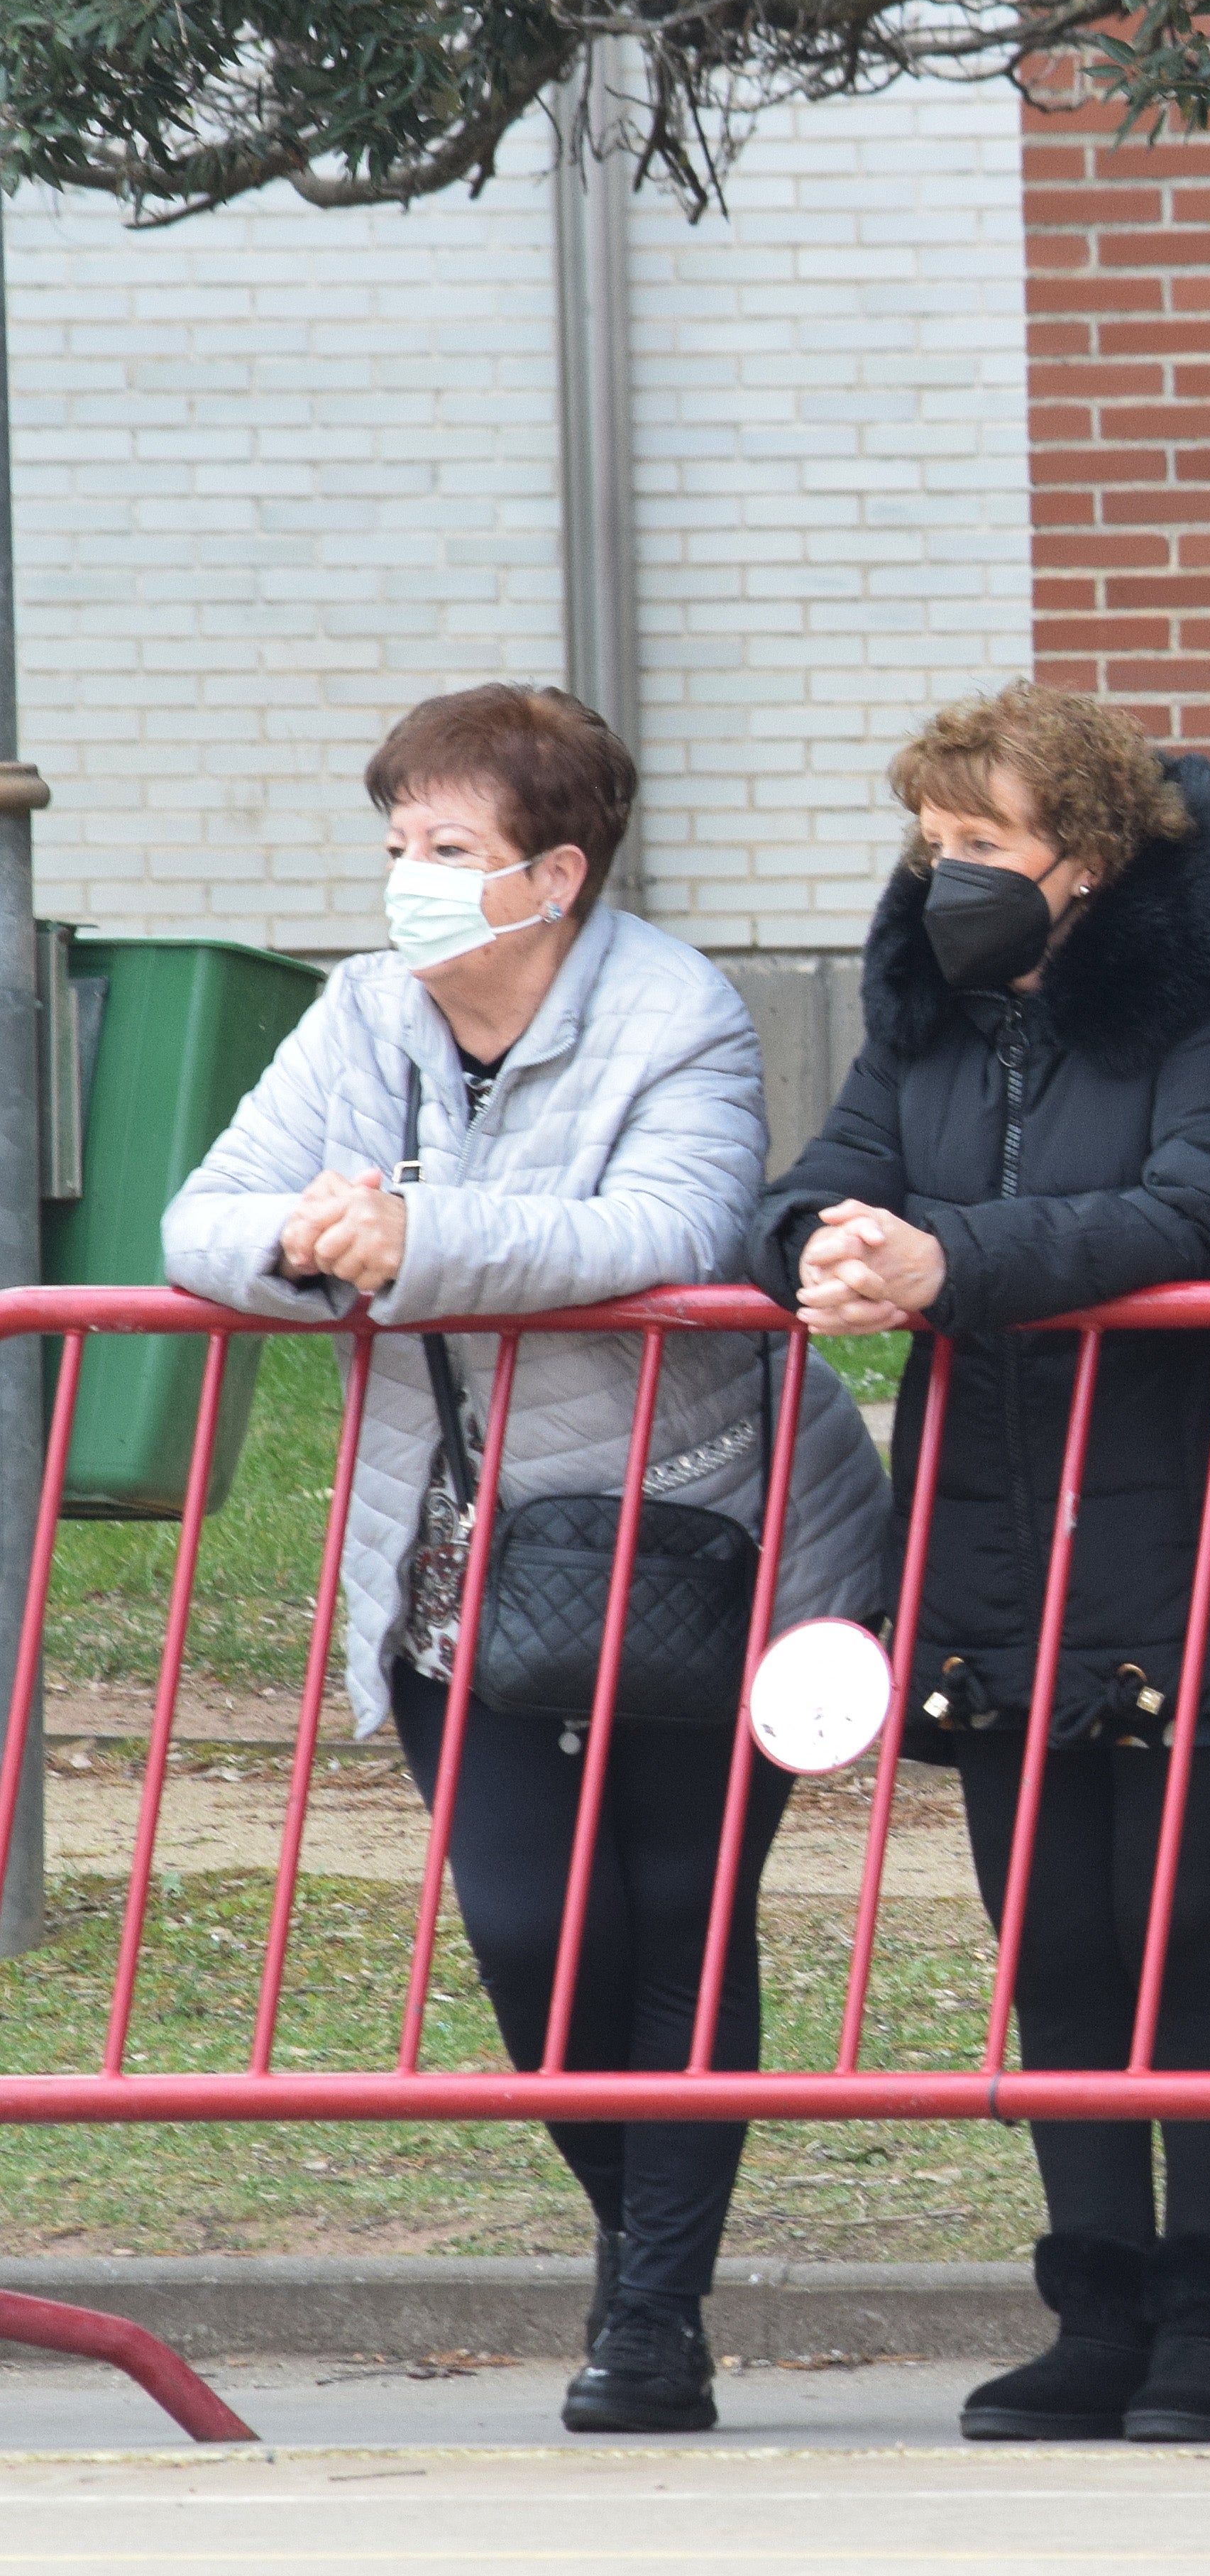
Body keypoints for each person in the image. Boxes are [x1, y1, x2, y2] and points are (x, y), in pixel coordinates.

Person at [161, 684, 887, 2433]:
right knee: (529, 1930)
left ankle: (653, 2320)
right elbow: (200, 1223)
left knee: (677, 1932)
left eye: (449, 850)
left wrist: (418, 1236)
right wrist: (314, 1242)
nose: (406, 879)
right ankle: (644, 2251)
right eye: (397, 843)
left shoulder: (676, 1007)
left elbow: (676, 1229)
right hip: (460, 1561)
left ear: (553, 872)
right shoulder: (360, 1015)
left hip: (709, 1537)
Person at [746, 684, 1210, 2447]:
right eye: (929, 843)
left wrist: (947, 1264)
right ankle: (1096, 2305)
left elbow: (1202, 1211)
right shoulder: (930, 1021)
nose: (942, 875)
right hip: (999, 1549)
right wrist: (833, 1240)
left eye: (979, 846)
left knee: (1193, 1929)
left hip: (1204, 1537)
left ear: (1084, 864)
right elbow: (812, 1184)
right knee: (1058, 1942)